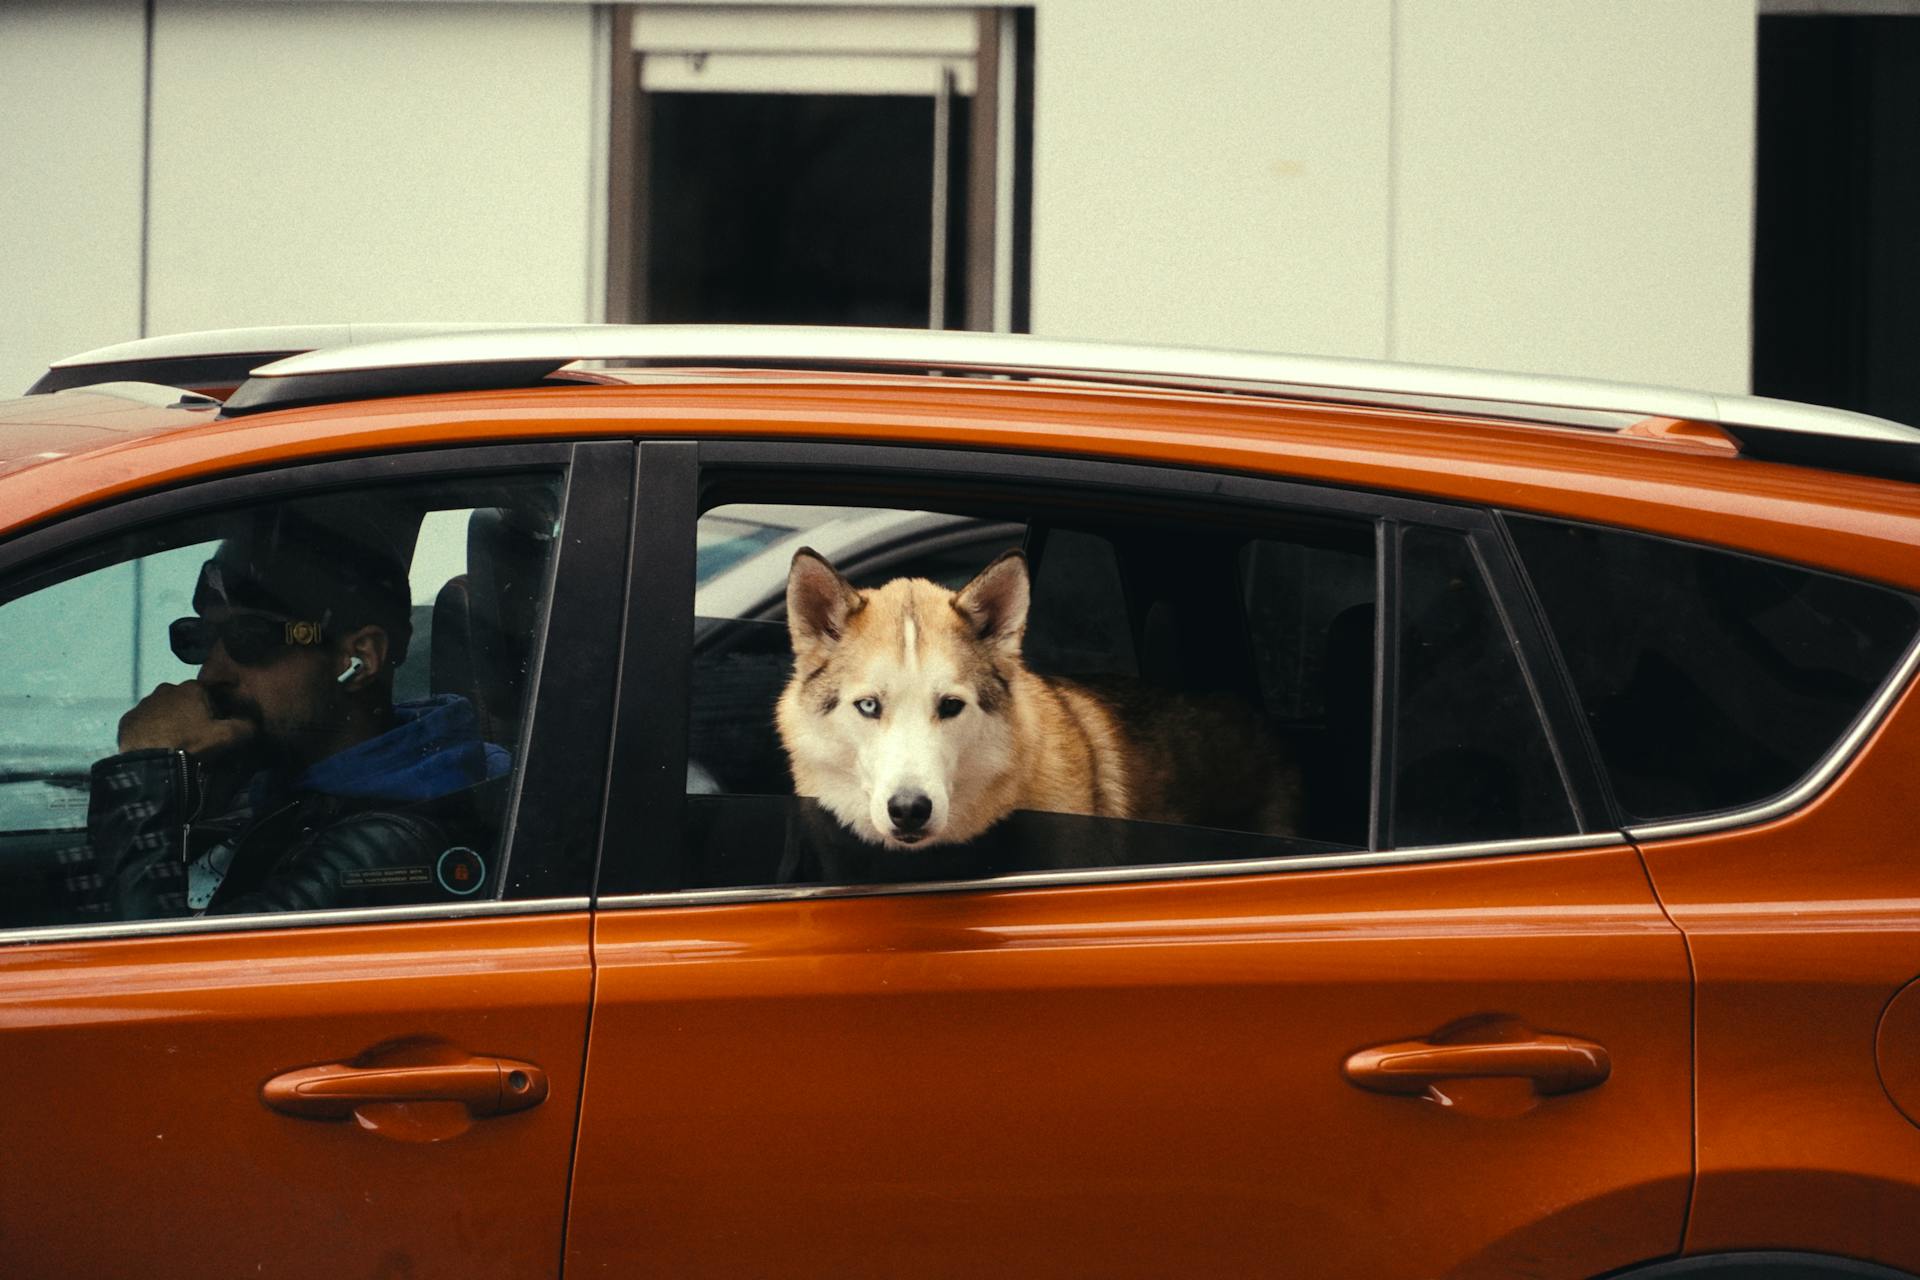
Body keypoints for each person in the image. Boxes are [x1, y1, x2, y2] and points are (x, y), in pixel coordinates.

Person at [87, 507, 510, 917]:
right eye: (200, 638)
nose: (210, 672)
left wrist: (141, 772)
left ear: (357, 659)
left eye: (249, 638)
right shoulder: (297, 785)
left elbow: (169, 983)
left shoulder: (384, 847)